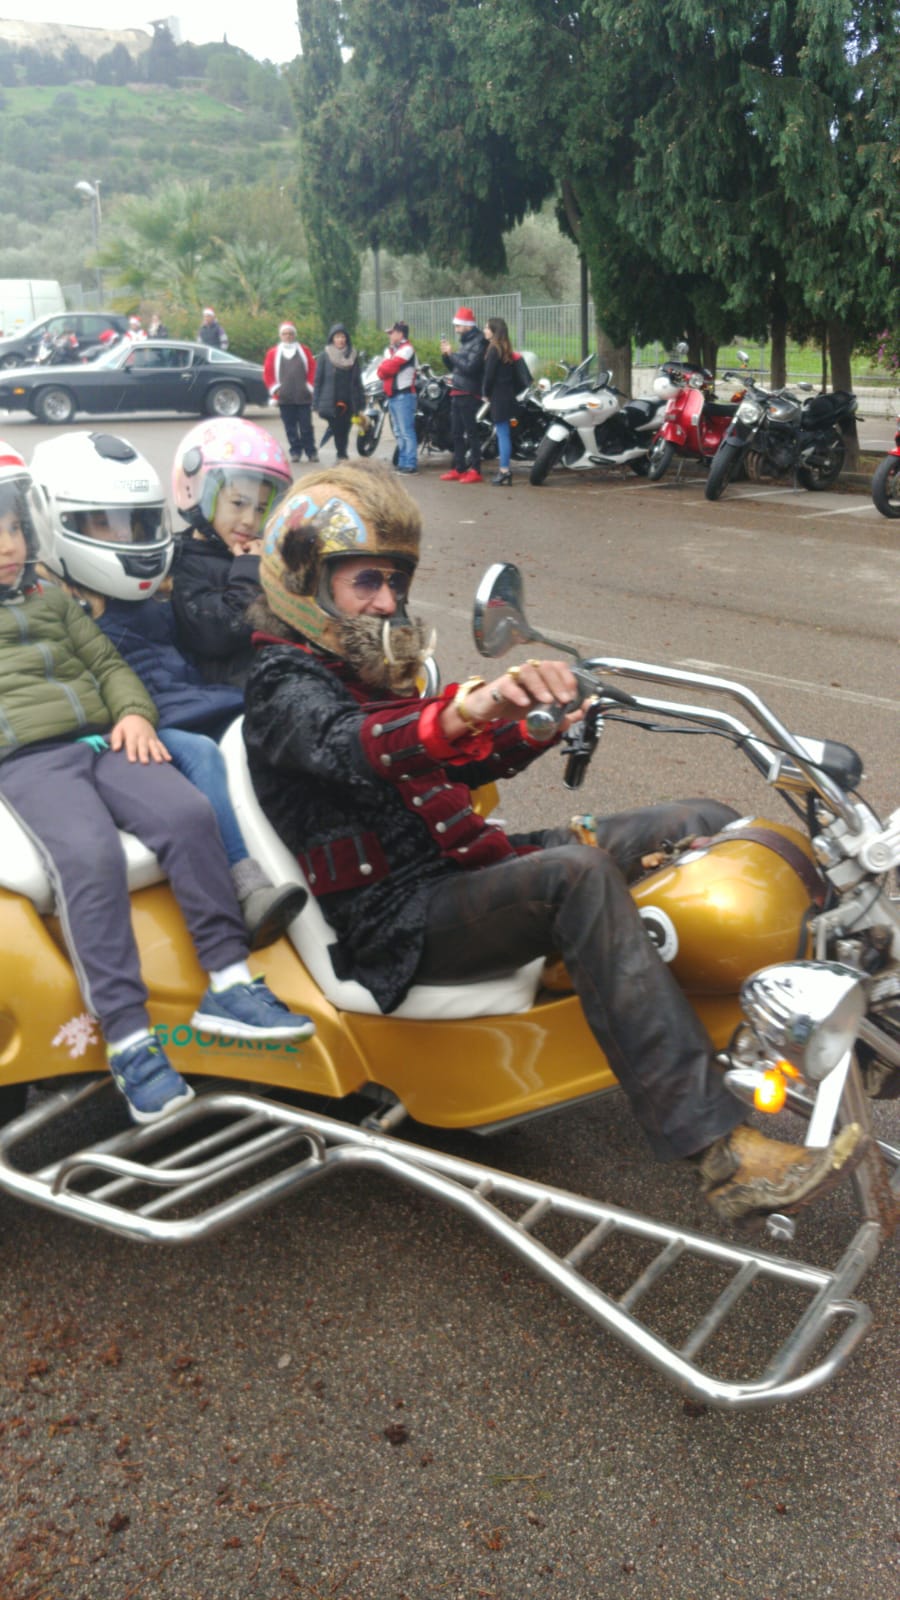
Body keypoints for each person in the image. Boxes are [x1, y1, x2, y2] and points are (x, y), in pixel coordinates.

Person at [241, 461, 864, 1224]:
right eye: (366, 582)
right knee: (577, 875)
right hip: (395, 920)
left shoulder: (368, 677)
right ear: (304, 581)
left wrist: (540, 721)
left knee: (696, 820)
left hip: (461, 868)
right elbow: (356, 745)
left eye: (394, 583)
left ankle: (838, 1001)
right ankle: (720, 1150)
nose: (388, 601)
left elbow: (453, 759)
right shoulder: (282, 687)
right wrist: (472, 706)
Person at [0, 441, 314, 1126]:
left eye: (13, 527)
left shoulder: (50, 598)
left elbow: (108, 664)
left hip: (107, 736)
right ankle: (129, 1039)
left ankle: (229, 983)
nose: (6, 545)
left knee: (188, 813)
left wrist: (137, 715)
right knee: (88, 857)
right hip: (27, 759)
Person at [30, 430, 308, 949]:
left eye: (136, 523)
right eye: (102, 523)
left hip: (196, 701)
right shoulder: (54, 602)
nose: (125, 536)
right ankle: (243, 887)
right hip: (148, 724)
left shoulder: (165, 577)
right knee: (203, 754)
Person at [170, 417, 292, 689]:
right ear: (196, 492)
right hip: (227, 695)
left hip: (277, 677)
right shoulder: (184, 562)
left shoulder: (259, 552)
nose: (250, 520)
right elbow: (218, 632)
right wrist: (249, 571)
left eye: (261, 509)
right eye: (238, 503)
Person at [439, 307, 488, 484]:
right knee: (456, 432)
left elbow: (471, 368)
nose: (456, 329)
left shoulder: (480, 342)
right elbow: (456, 368)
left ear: (468, 326)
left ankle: (475, 469)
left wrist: (452, 354)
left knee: (471, 433)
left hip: (469, 392)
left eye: (459, 325)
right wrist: (446, 356)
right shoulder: (466, 342)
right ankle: (459, 468)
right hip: (458, 390)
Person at [483, 317, 530, 487]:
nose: (484, 330)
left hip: (498, 397)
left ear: (494, 331)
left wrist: (485, 393)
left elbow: (488, 376)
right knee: (504, 433)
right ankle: (505, 470)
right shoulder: (506, 349)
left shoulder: (493, 350)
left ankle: (504, 471)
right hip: (508, 395)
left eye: (487, 328)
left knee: (503, 434)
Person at [263, 322, 319, 464]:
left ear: (294, 335)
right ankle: (295, 451)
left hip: (303, 396)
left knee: (306, 427)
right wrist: (276, 389)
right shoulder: (273, 353)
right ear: (280, 335)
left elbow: (313, 368)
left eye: (290, 333)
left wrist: (309, 386)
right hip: (284, 397)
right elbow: (268, 374)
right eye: (285, 333)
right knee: (290, 427)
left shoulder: (304, 350)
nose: (288, 336)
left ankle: (311, 452)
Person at [313, 323, 364, 463]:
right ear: (332, 339)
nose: (340, 340)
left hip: (349, 400)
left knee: (346, 428)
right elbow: (318, 380)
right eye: (337, 337)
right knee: (336, 428)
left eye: (343, 336)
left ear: (346, 338)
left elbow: (358, 380)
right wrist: (315, 402)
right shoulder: (325, 356)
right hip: (331, 400)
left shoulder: (353, 356)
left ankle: (342, 453)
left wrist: (361, 401)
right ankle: (341, 453)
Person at [377, 321, 418, 474]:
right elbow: (381, 371)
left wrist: (384, 368)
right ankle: (403, 461)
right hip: (393, 396)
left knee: (406, 431)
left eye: (392, 332)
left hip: (404, 395)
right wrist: (384, 368)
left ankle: (410, 464)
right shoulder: (390, 350)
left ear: (400, 334)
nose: (389, 335)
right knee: (399, 431)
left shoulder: (407, 349)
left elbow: (388, 368)